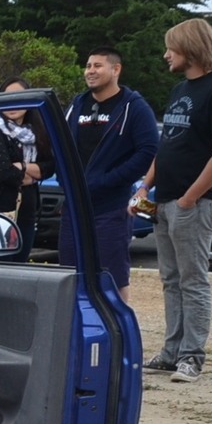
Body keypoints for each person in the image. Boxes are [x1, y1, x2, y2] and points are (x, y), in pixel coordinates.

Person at [137, 20, 212, 382]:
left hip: (193, 203)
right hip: (164, 200)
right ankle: (171, 351)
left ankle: (193, 356)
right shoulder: (180, 89)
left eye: (172, 48)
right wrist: (145, 186)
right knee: (170, 278)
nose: (166, 55)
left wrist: (190, 198)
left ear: (191, 47)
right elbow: (169, 144)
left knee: (193, 280)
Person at [59, 49, 158, 303]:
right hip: (74, 208)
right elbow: (59, 145)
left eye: (98, 66)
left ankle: (119, 337)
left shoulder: (133, 107)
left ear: (116, 70)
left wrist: (110, 179)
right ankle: (76, 336)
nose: (90, 70)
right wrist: (63, 178)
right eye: (88, 65)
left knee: (112, 278)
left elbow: (148, 151)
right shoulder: (77, 105)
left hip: (110, 208)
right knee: (71, 276)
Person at [0, 78, 54, 254]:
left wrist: (22, 166)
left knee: (22, 262)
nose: (12, 104)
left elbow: (50, 167)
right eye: (7, 98)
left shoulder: (37, 132)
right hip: (0, 210)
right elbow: (6, 173)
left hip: (28, 209)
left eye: (18, 97)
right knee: (0, 263)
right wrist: (33, 173)